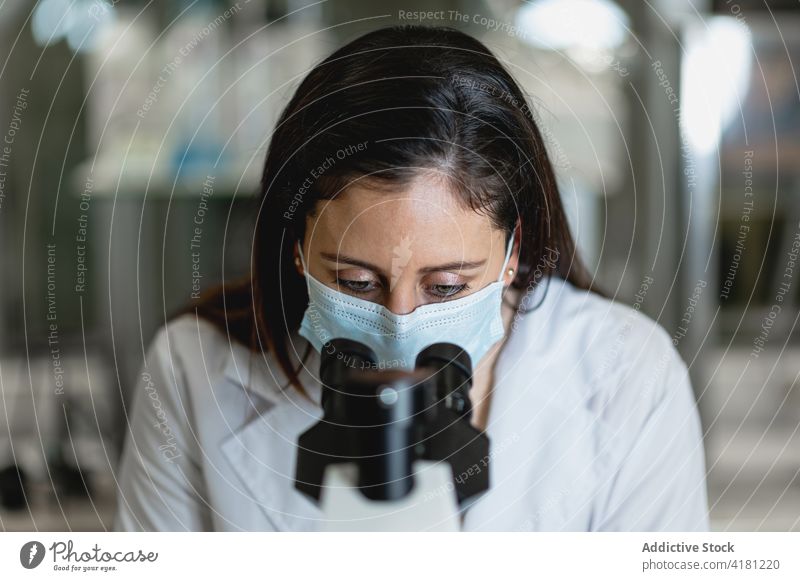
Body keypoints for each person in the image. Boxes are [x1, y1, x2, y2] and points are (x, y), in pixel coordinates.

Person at [113, 25, 709, 532]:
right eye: (355, 283)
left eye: (446, 287)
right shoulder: (192, 370)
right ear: (295, 245)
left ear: (513, 251)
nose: (401, 324)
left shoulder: (627, 376)